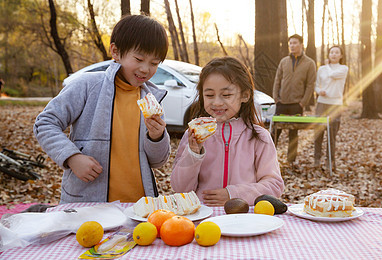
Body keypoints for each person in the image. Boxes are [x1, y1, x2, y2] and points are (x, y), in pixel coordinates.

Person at [34, 15, 171, 204]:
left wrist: (156, 137)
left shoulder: (151, 100)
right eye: (139, 59)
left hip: (138, 206)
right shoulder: (87, 85)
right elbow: (45, 123)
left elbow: (158, 161)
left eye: (154, 63)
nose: (146, 69)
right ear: (115, 51)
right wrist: (72, 157)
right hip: (88, 204)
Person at [171, 57, 284, 206]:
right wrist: (193, 153)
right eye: (209, 95)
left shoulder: (259, 137)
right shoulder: (193, 135)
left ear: (245, 95)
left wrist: (234, 194)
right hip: (203, 218)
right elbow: (180, 189)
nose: (217, 102)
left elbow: (274, 185)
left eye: (226, 95)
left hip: (244, 220)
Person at [272, 34, 316, 163]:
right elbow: (277, 80)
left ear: (301, 45)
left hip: (296, 104)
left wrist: (303, 103)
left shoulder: (309, 63)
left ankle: (290, 162)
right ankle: (269, 162)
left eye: (295, 43)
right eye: (290, 43)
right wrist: (276, 98)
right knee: (274, 133)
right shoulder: (284, 61)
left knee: (293, 135)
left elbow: (310, 85)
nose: (292, 45)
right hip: (281, 103)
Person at [314, 45, 348, 170]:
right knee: (318, 133)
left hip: (336, 104)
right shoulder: (321, 69)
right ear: (328, 54)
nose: (333, 54)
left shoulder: (343, 68)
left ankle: (330, 160)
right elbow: (317, 85)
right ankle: (317, 159)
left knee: (332, 134)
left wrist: (327, 65)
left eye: (336, 52)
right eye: (331, 52)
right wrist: (319, 91)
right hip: (322, 103)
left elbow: (332, 75)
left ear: (341, 56)